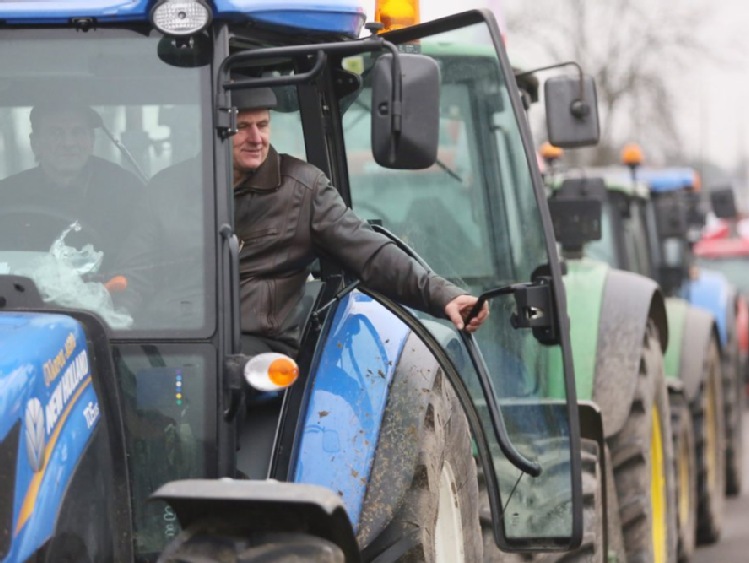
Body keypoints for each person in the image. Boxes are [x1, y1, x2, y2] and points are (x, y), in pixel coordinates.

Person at [231, 87, 489, 357]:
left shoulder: (302, 189)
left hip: (261, 349)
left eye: (262, 125)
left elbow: (370, 253)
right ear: (220, 129)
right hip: (197, 336)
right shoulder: (190, 189)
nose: (256, 138)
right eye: (242, 127)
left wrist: (443, 296)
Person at [0, 100, 144, 270]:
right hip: (25, 293)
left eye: (78, 132)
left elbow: (143, 258)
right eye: (56, 133)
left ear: (92, 141)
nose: (69, 143)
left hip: (110, 290)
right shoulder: (7, 196)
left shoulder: (126, 190)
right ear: (35, 143)